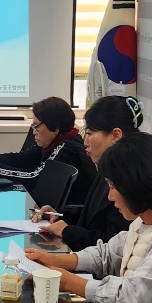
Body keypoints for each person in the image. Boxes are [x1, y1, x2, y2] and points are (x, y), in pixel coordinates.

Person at [23, 131, 152, 303]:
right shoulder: (147, 219)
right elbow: (106, 254)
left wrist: (70, 283)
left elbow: (131, 300)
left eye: (113, 187)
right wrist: (54, 260)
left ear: (136, 186)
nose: (109, 197)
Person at [33, 95, 142, 250]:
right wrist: (59, 214)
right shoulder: (109, 166)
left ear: (115, 136)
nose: (85, 142)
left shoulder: (131, 178)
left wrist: (67, 231)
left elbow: (113, 244)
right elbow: (93, 216)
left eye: (90, 134)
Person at [0, 96, 94, 207]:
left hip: (69, 215)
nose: (33, 131)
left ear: (55, 128)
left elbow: (36, 177)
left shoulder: (67, 148)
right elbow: (20, 159)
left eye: (36, 126)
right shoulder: (53, 142)